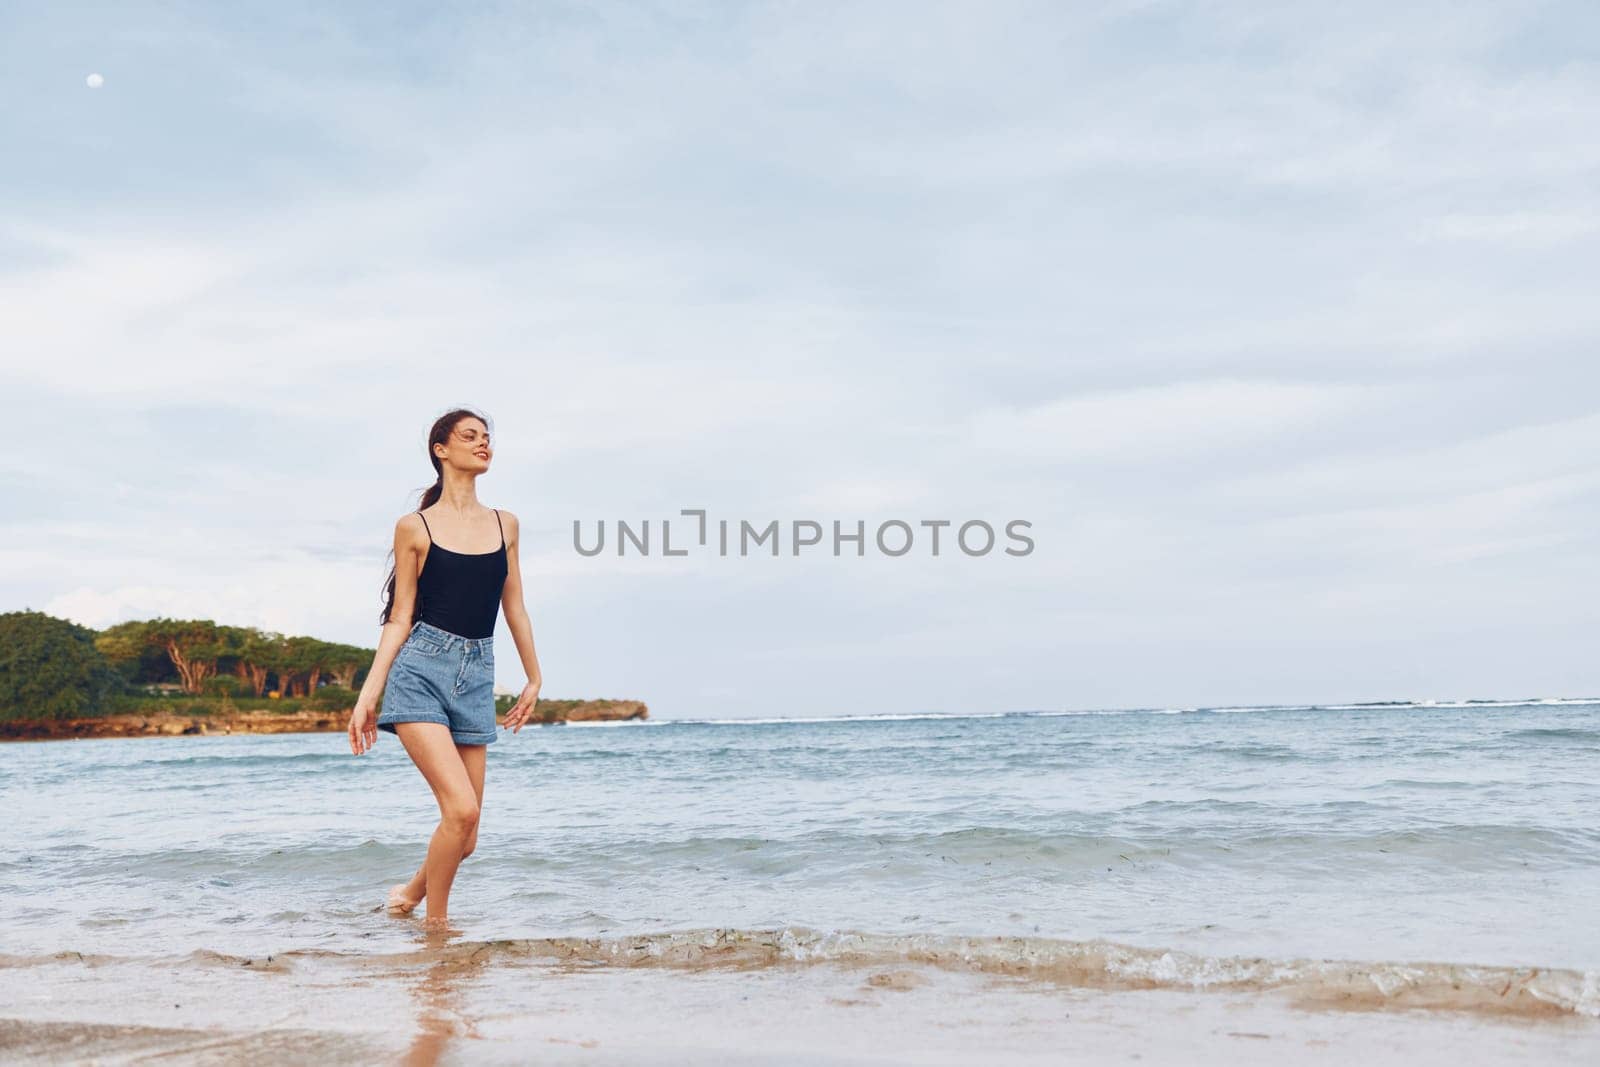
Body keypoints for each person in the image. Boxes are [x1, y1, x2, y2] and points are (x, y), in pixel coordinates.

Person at [347, 407, 543, 929]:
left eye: (488, 438)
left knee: (468, 836)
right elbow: (400, 616)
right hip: (420, 671)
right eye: (470, 436)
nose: (484, 444)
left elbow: (514, 605)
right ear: (441, 449)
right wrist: (370, 694)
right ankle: (437, 929)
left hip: (478, 672)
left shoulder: (506, 524)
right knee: (460, 811)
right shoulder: (415, 527)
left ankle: (408, 894)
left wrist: (534, 676)